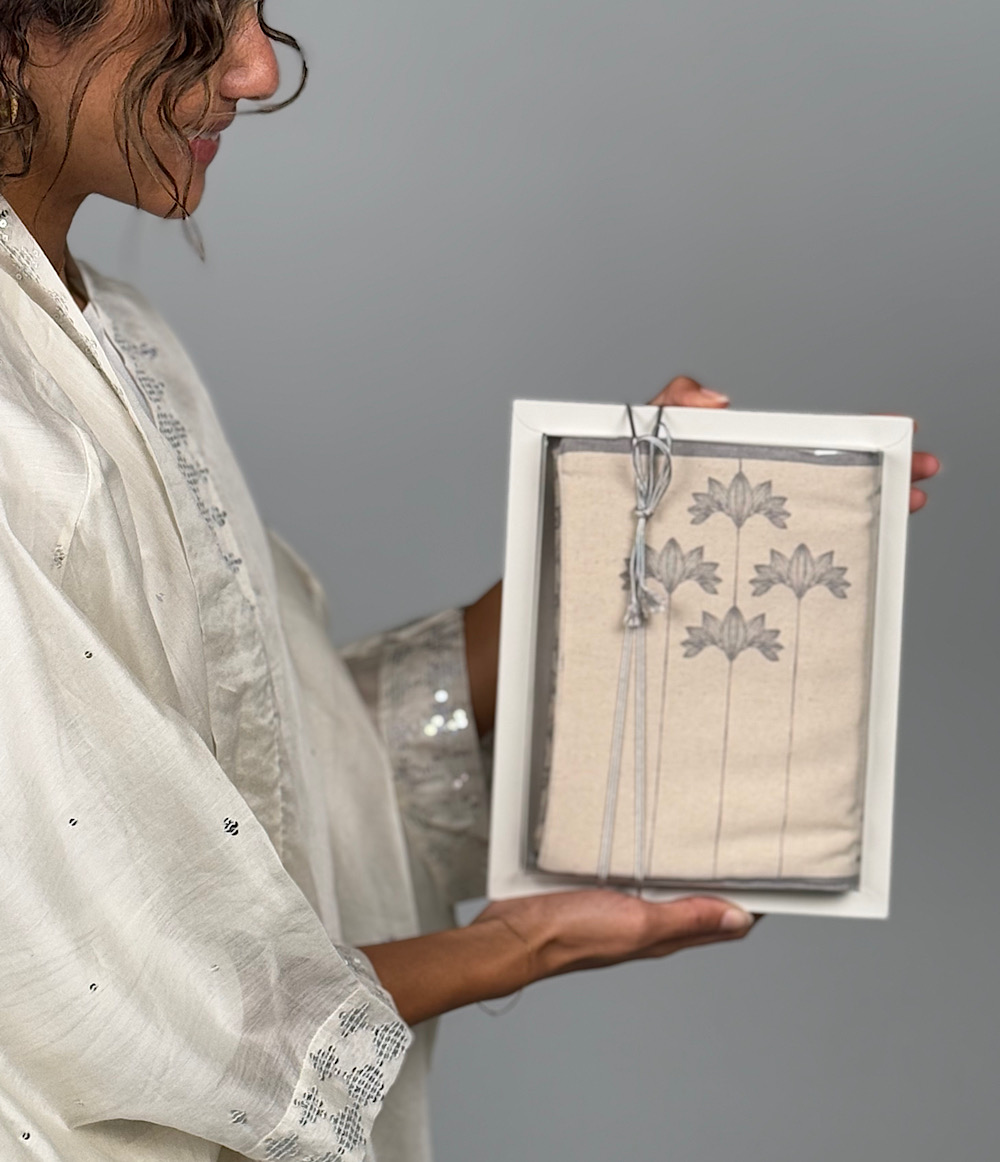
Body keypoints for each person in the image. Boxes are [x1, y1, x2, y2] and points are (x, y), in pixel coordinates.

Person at [0, 4, 940, 1161]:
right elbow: (102, 986)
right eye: (202, 10)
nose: (255, 68)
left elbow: (275, 793)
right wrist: (522, 945)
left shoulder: (126, 337)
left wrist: (607, 556)